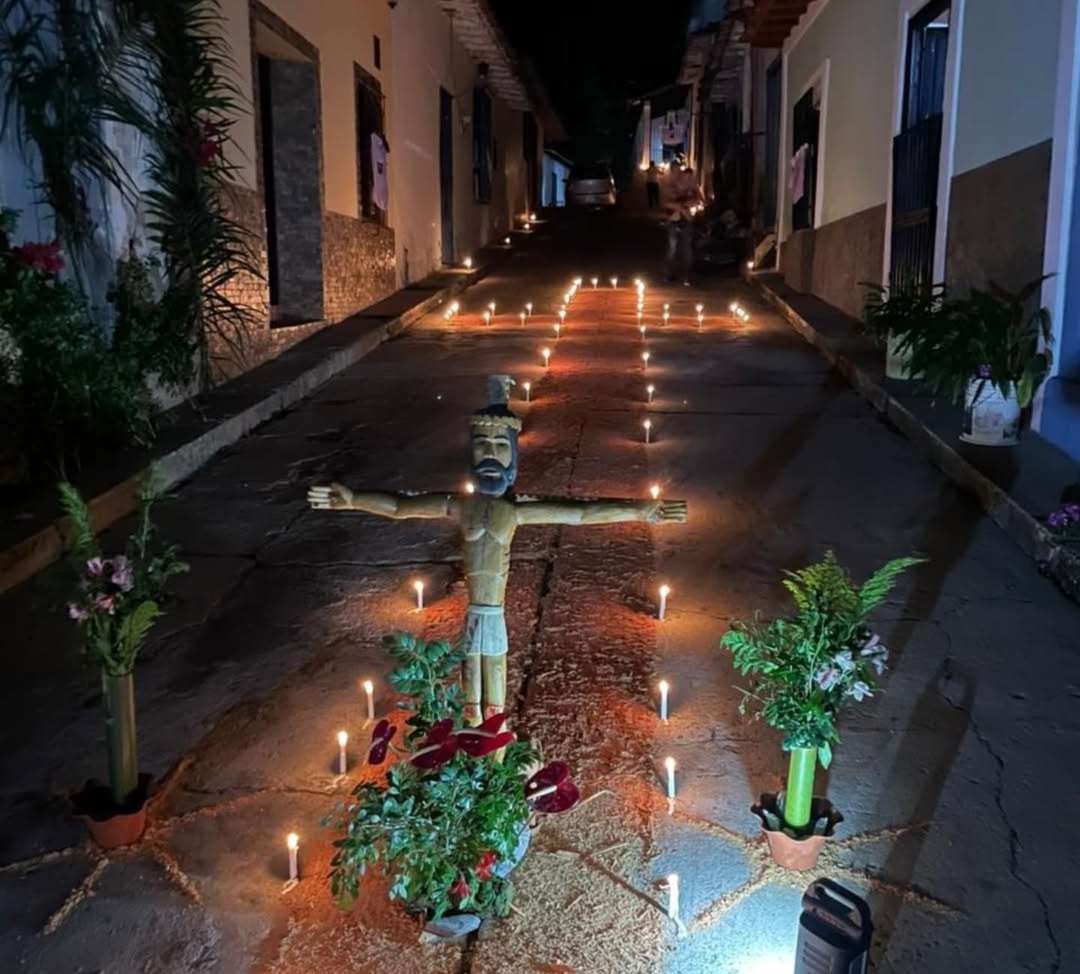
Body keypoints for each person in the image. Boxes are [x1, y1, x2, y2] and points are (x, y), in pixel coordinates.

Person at [662, 159, 702, 284]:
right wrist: (682, 208)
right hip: (674, 221)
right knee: (672, 248)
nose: (677, 173)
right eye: (674, 171)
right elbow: (666, 203)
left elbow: (698, 200)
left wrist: (684, 206)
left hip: (686, 221)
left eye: (678, 170)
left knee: (687, 249)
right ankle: (669, 274)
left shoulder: (692, 186)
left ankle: (686, 275)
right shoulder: (669, 186)